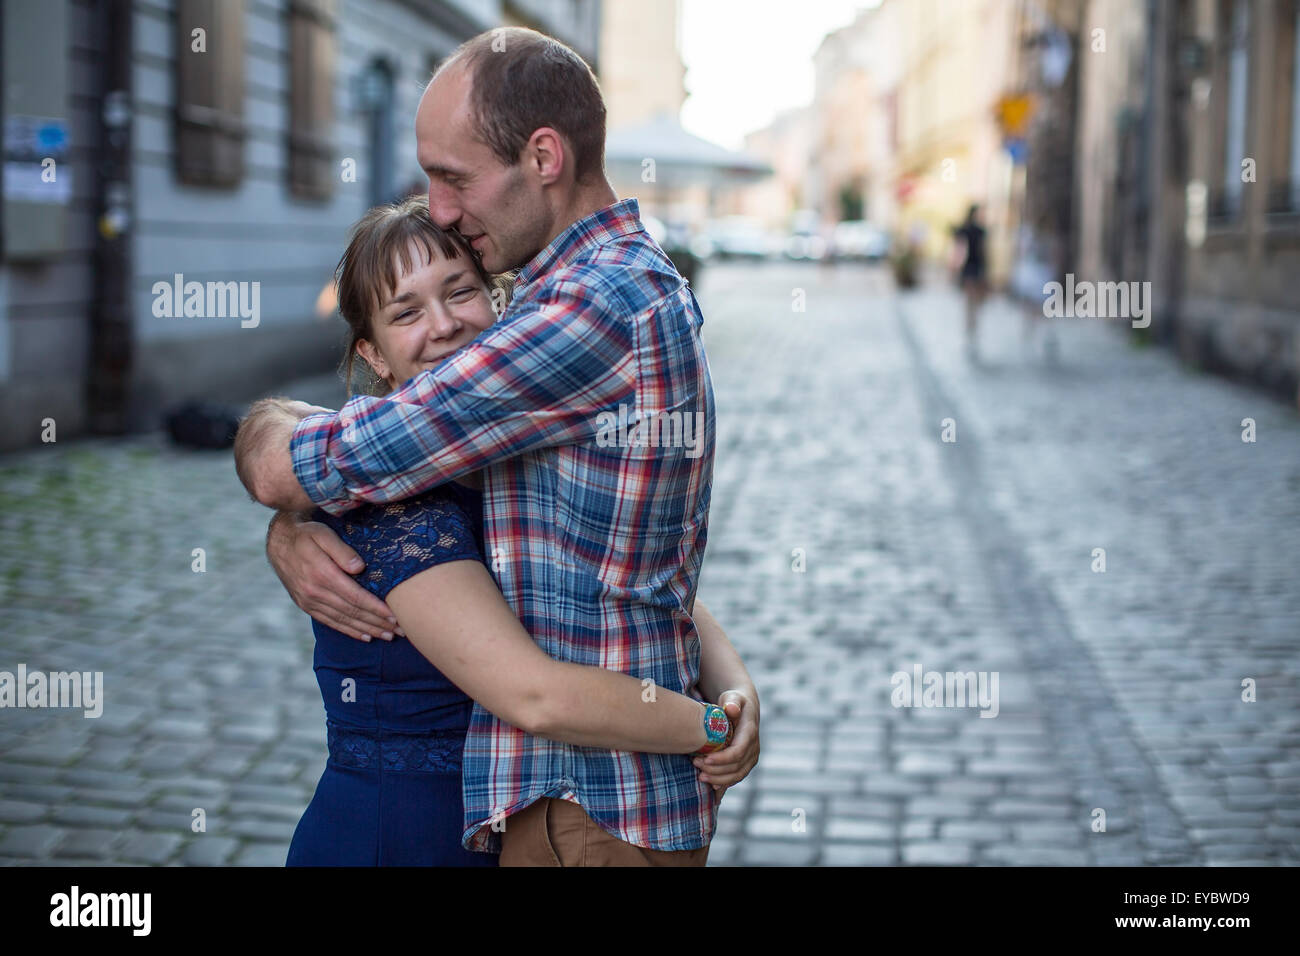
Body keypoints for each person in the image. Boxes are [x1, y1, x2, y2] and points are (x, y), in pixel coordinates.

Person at [234, 27, 759, 866]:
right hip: (554, 808)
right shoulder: (587, 296)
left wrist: (276, 474)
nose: (440, 206)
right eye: (405, 311)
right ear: (369, 346)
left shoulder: (587, 310)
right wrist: (294, 526)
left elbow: (315, 460)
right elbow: (612, 573)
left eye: (454, 177)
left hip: (586, 806)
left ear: (544, 156)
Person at [952, 204, 988, 356]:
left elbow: (959, 251)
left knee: (970, 303)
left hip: (969, 269)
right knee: (973, 303)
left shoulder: (966, 230)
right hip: (975, 268)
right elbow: (981, 250)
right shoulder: (978, 231)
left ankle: (970, 332)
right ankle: (971, 332)